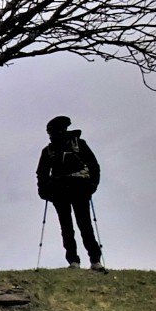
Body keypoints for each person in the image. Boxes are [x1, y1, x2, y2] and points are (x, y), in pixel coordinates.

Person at [36, 115, 105, 272]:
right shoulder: (50, 150)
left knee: (81, 225)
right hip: (64, 190)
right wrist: (44, 190)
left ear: (60, 130)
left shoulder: (77, 145)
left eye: (51, 132)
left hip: (75, 189)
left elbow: (94, 166)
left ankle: (90, 260)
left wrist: (92, 185)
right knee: (72, 226)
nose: (50, 135)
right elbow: (41, 173)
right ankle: (82, 260)